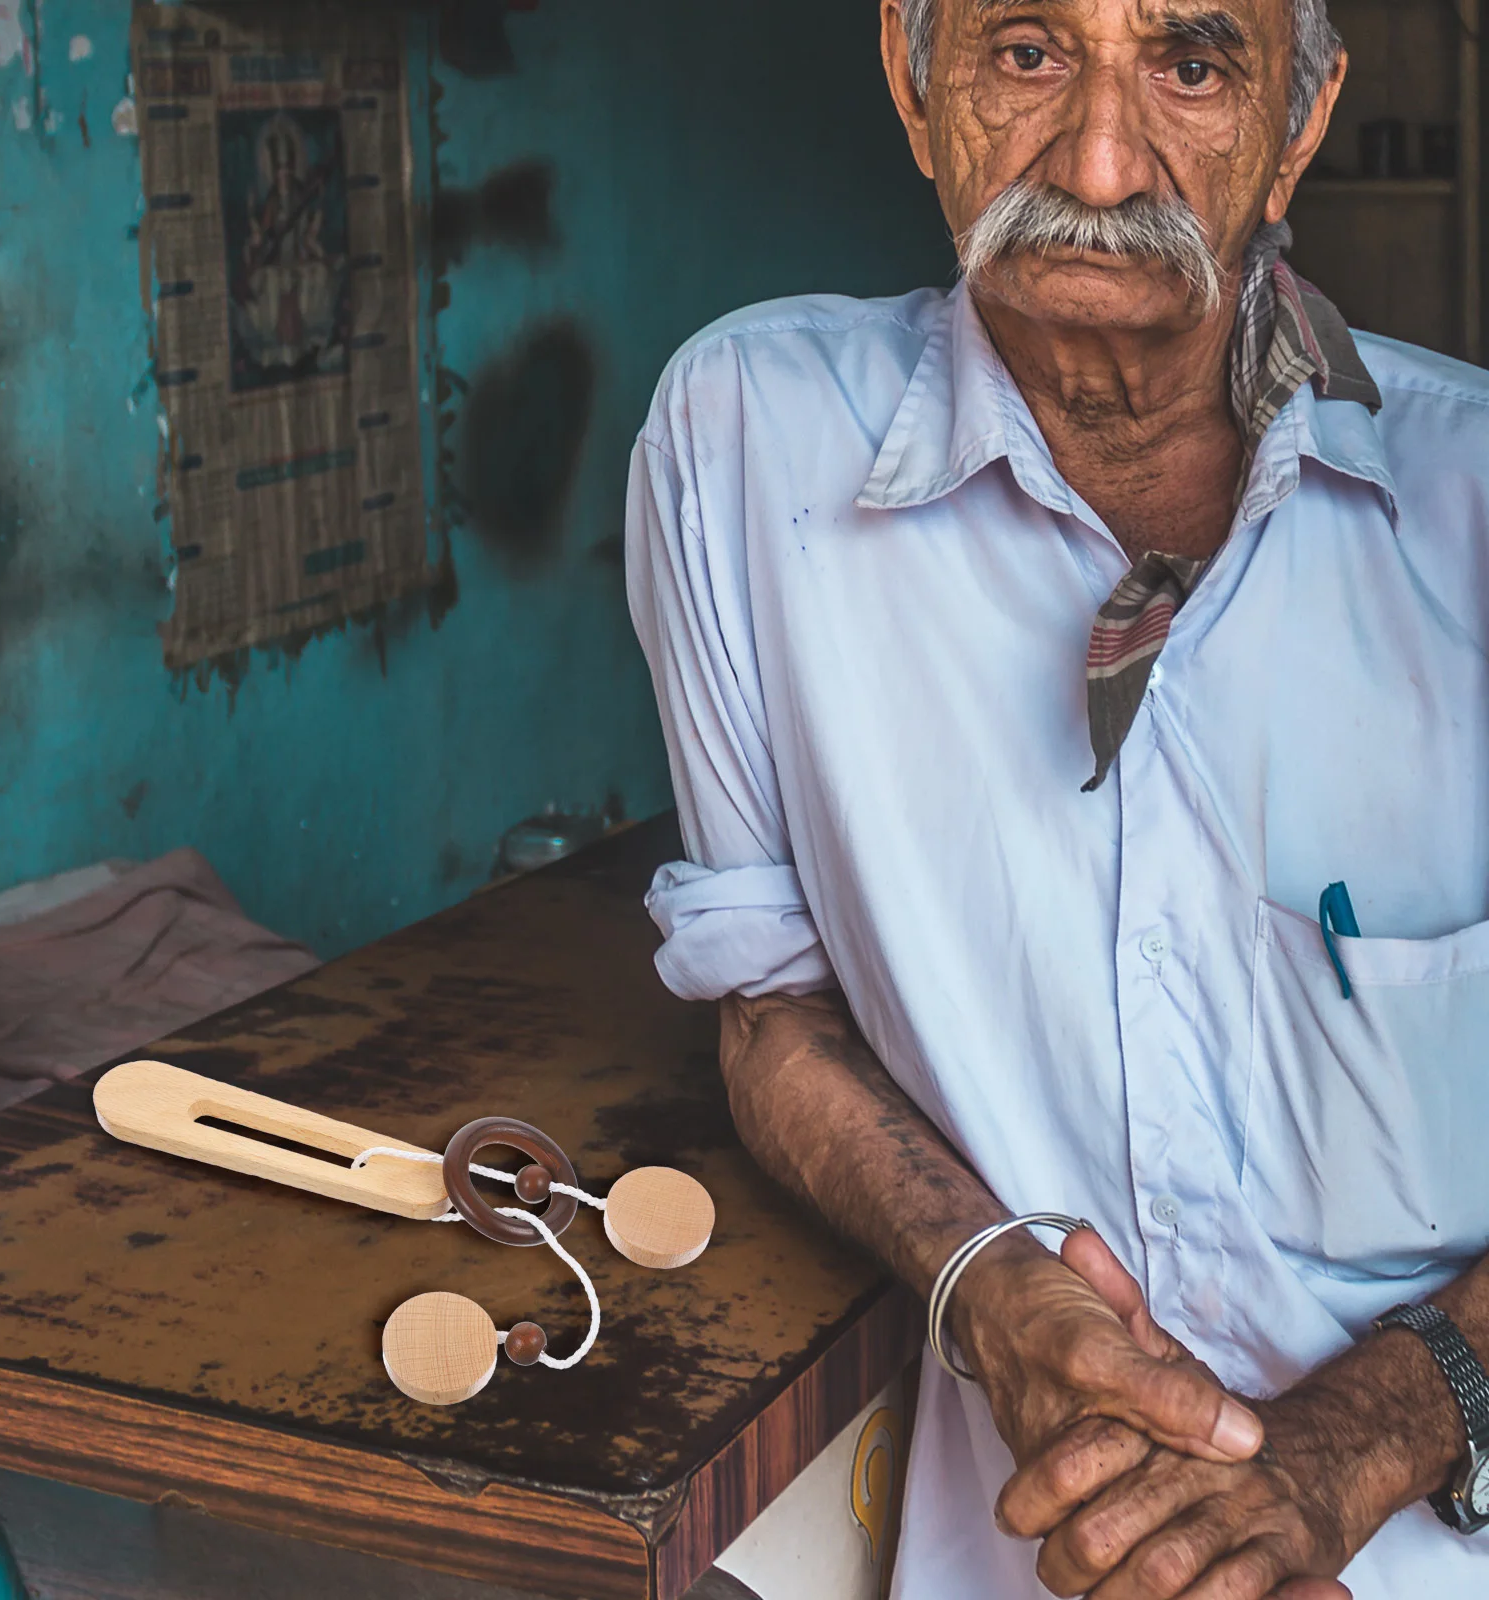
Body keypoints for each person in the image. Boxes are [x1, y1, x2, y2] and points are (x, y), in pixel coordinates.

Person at [624, 0, 1489, 1594]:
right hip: (1027, 1547)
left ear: (1299, 117)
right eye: (1026, 51)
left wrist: (1361, 1436)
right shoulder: (745, 443)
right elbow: (772, 1012)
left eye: (1193, 63)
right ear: (910, 74)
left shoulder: (1471, 509)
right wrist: (989, 1291)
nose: (1097, 163)